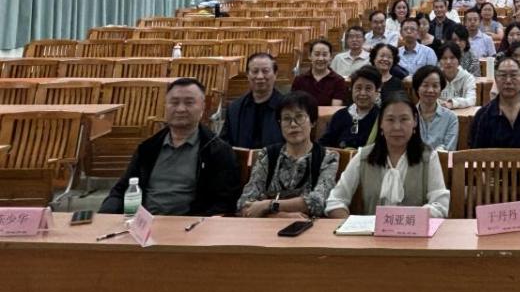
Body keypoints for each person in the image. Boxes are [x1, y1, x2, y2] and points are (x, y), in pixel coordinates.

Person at [100, 78, 241, 216]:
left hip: (191, 226)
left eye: (189, 103)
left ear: (203, 107)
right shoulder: (148, 148)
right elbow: (121, 190)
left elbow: (224, 202)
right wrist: (104, 216)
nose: (180, 109)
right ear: (165, 106)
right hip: (144, 223)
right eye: (174, 102)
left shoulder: (217, 151)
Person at [325, 94, 450, 218]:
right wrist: (349, 224)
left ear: (415, 121)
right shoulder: (364, 156)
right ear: (380, 123)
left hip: (415, 229)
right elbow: (335, 200)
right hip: (370, 230)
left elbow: (440, 205)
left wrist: (410, 220)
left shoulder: (428, 157)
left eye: (404, 119)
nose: (397, 127)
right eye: (390, 120)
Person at [237, 91, 340, 218]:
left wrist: (268, 205)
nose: (293, 124)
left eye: (299, 117)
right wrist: (282, 217)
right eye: (286, 119)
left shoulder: (328, 158)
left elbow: (318, 202)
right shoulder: (267, 155)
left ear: (312, 122)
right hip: (267, 227)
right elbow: (245, 204)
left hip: (311, 227)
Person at [468, 56, 520, 150]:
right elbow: (476, 155)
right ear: (495, 79)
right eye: (503, 75)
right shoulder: (483, 115)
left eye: (513, 75)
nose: (508, 81)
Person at [220, 53, 284, 149]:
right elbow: (224, 145)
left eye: (265, 71)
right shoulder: (235, 108)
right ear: (247, 75)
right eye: (255, 71)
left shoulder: (286, 107)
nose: (260, 76)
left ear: (275, 74)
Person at [318, 66, 382, 149]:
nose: (362, 93)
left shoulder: (381, 117)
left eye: (368, 89)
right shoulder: (340, 115)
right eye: (358, 88)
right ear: (351, 89)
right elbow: (323, 144)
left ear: (377, 92)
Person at [413, 66, 459, 151]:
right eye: (425, 85)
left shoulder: (450, 118)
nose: (430, 90)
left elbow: (448, 150)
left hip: (441, 159)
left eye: (435, 86)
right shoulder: (408, 116)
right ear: (417, 88)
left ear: (441, 89)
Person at [291, 39, 348, 106]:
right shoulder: (299, 80)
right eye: (317, 54)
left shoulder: (339, 81)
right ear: (310, 56)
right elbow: (294, 105)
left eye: (324, 55)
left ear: (330, 57)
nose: (321, 58)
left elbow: (335, 108)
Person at [438, 42, 477, 109]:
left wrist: (453, 103)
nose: (448, 62)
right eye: (444, 58)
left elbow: (471, 100)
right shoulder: (436, 77)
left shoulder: (468, 78)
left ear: (459, 59)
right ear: (439, 61)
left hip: (463, 115)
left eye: (452, 58)